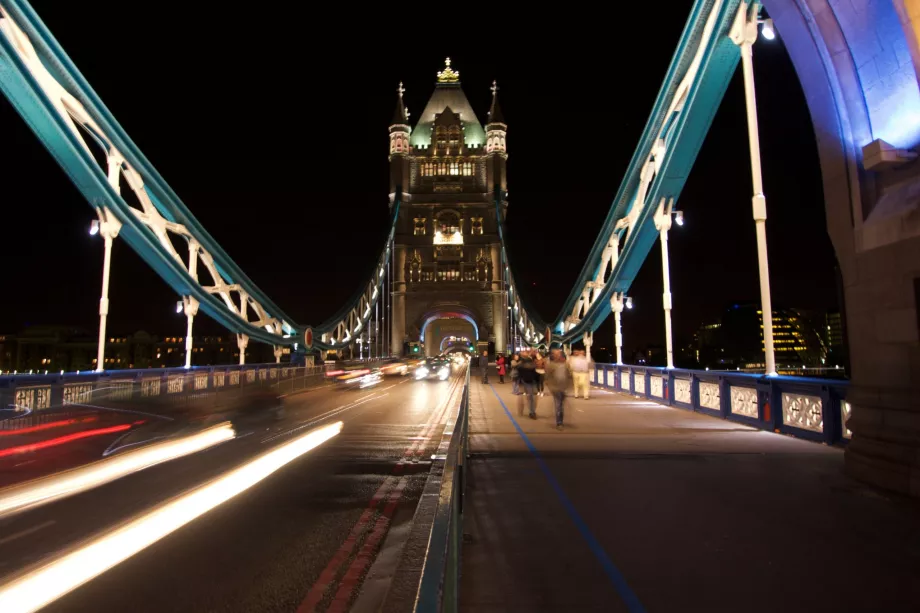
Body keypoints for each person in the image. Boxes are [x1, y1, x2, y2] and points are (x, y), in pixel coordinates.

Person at [545, 349, 571, 430]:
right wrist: (550, 387)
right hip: (555, 388)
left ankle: (560, 420)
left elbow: (569, 375)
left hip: (563, 387)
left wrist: (569, 386)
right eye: (556, 354)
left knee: (561, 405)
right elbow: (547, 377)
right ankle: (559, 423)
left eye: (559, 354)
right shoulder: (551, 365)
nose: (558, 355)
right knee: (558, 405)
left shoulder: (566, 365)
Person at [516, 350, 538, 419]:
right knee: (530, 396)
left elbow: (534, 369)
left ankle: (531, 411)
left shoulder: (529, 360)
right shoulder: (522, 362)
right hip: (526, 380)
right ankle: (532, 412)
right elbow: (520, 369)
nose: (526, 352)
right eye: (524, 352)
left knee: (532, 397)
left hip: (531, 380)